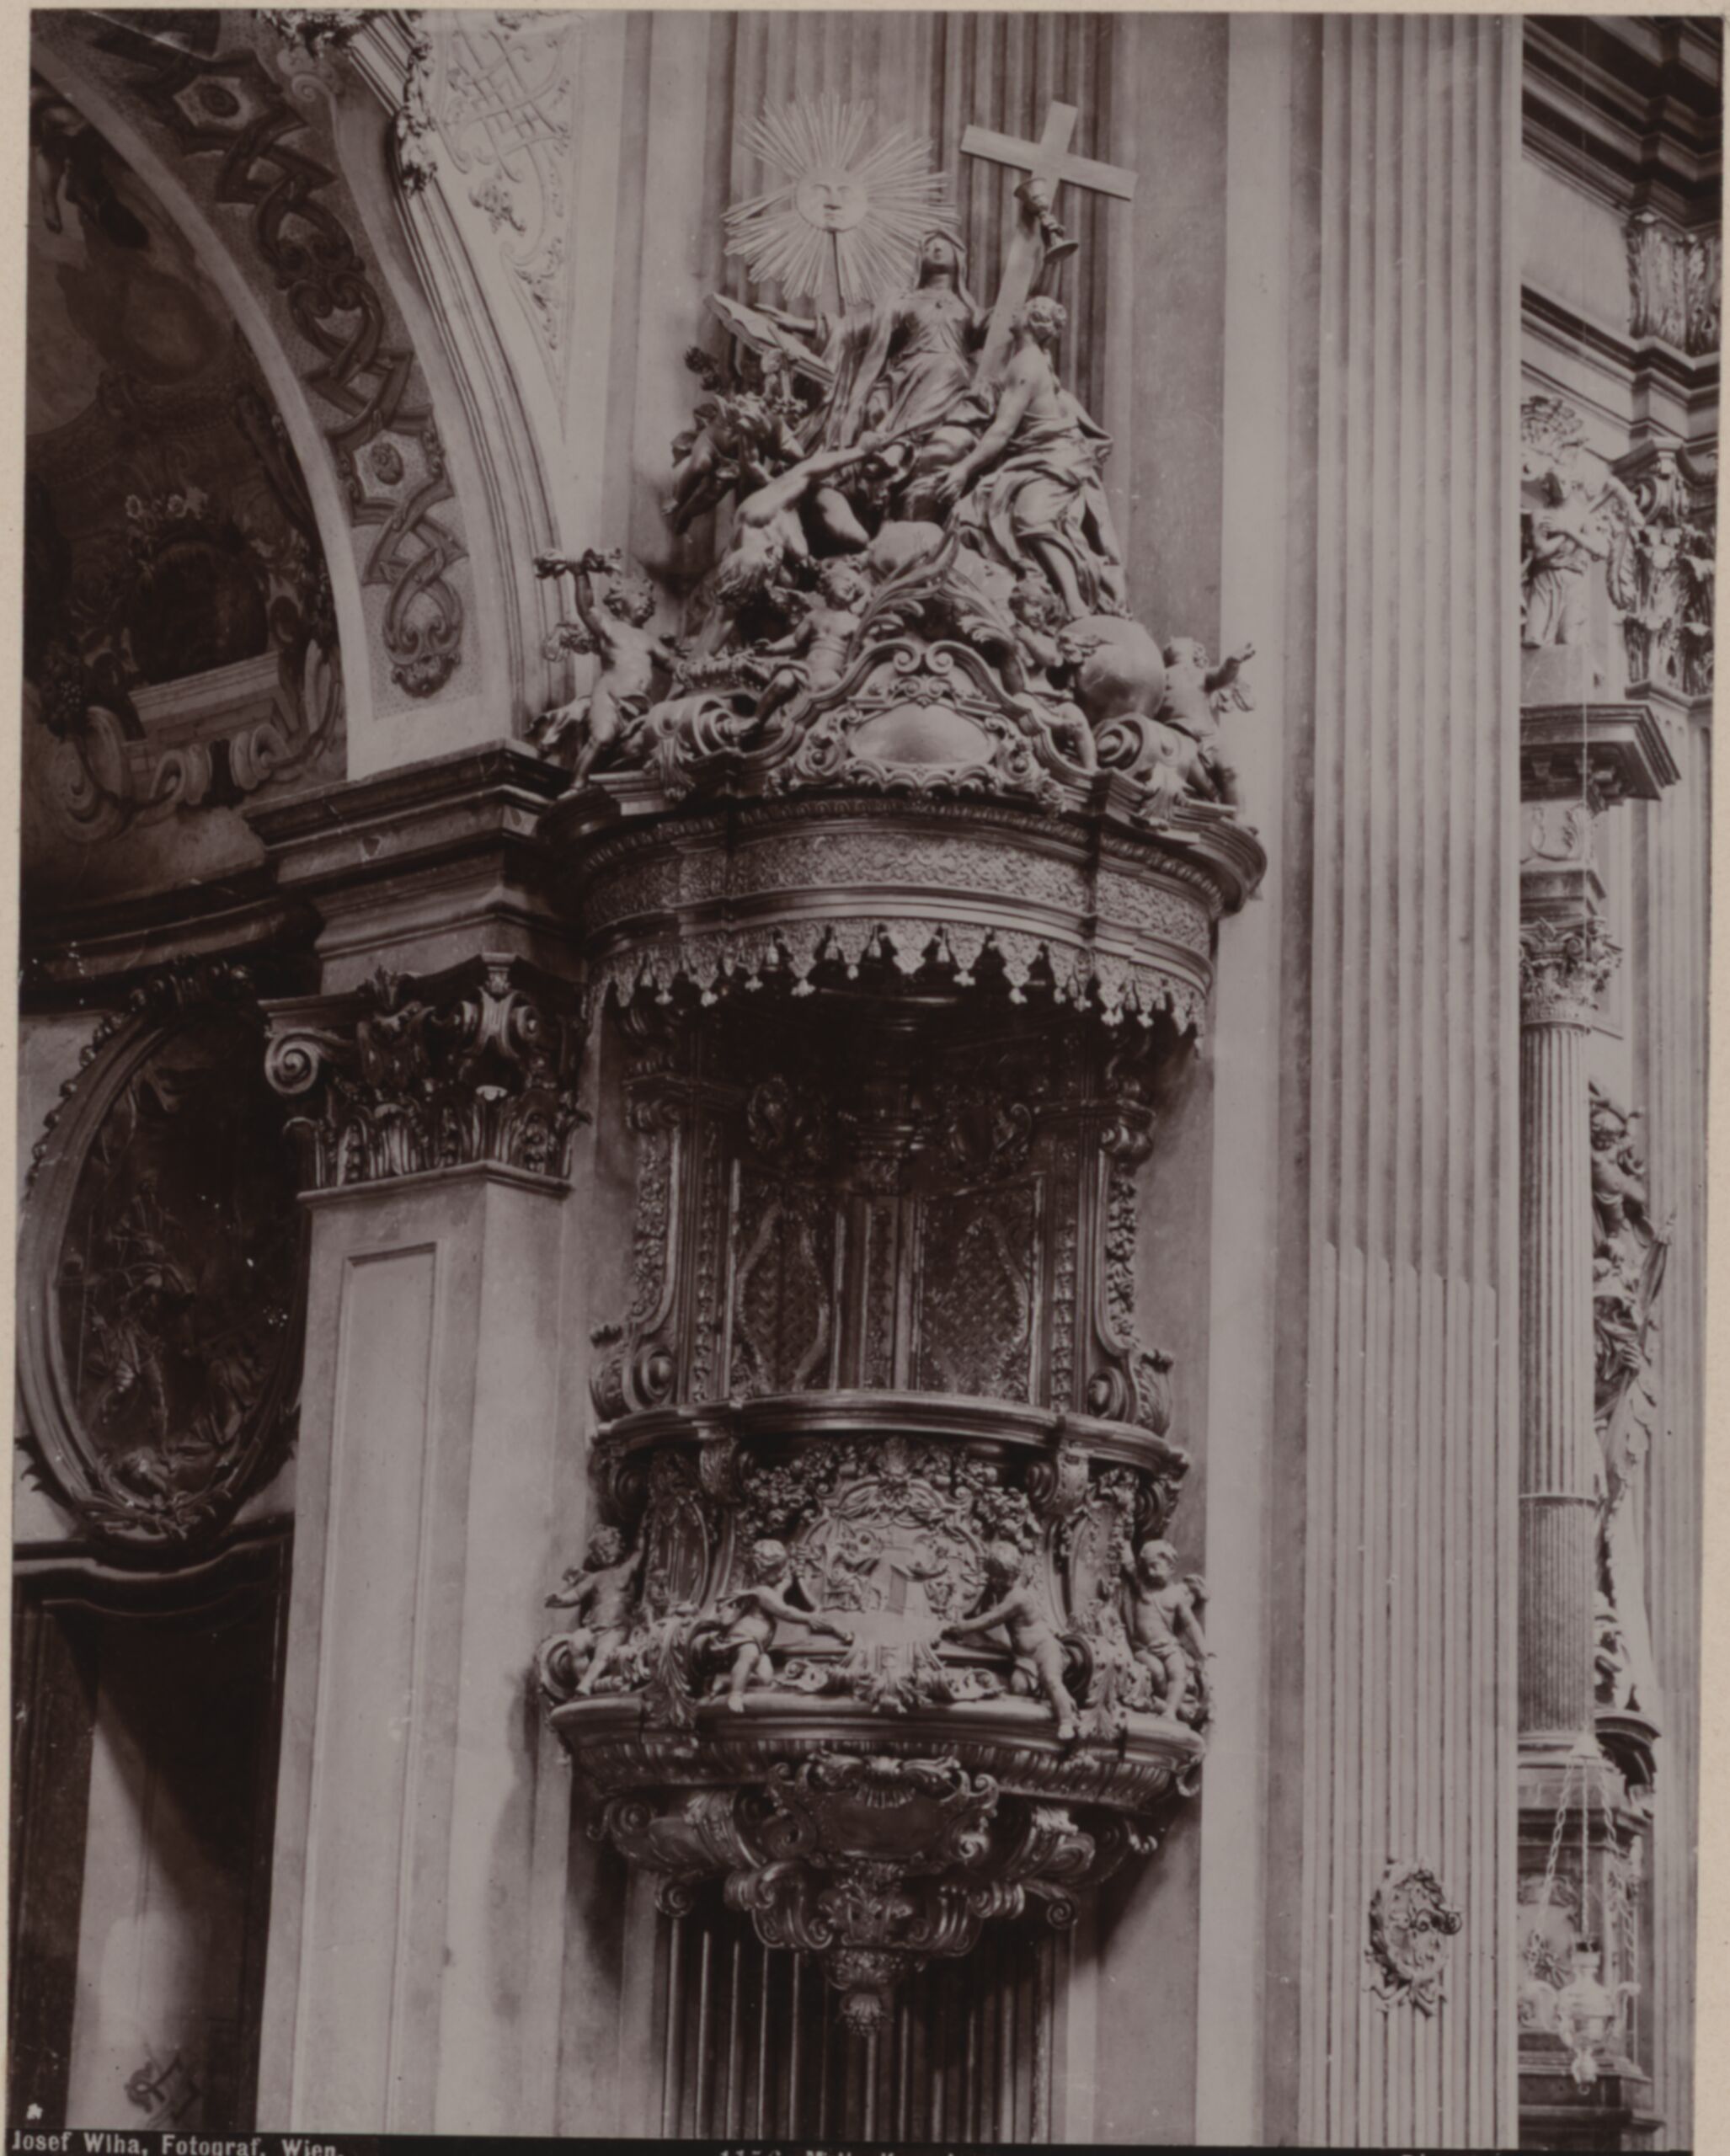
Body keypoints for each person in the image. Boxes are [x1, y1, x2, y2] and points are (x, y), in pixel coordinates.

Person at [935, 296, 1126, 619]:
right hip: (1033, 459)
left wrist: (962, 470)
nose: (1014, 311)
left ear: (1033, 321)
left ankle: (1076, 601)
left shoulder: (1027, 364)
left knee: (1031, 518)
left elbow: (1001, 431)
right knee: (972, 514)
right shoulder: (1029, 360)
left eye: (1021, 309)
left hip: (1053, 461)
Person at [531, 550, 682, 788]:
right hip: (610, 697)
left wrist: (696, 667)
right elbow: (587, 608)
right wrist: (579, 573)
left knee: (638, 747)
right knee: (601, 738)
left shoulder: (649, 641)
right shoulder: (611, 629)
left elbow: (675, 665)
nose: (647, 602)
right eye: (640, 595)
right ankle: (576, 786)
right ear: (620, 600)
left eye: (649, 600)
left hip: (639, 705)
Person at [691, 1540, 853, 1712]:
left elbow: (779, 1593)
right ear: (763, 1572)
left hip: (759, 1645)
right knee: (749, 1656)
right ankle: (736, 1694)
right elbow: (785, 1611)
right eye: (778, 1570)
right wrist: (808, 1618)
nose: (782, 1573)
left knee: (765, 1679)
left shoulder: (768, 1591)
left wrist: (789, 1579)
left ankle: (725, 1680)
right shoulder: (762, 1592)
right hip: (745, 1639)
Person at [941, 1539, 1078, 1741]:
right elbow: (983, 1608)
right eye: (993, 1576)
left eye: (998, 1577)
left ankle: (1067, 1721)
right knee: (1018, 1687)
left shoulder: (1017, 1598)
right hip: (1025, 1658)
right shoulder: (1003, 1588)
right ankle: (1062, 1704)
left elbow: (990, 1619)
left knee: (1052, 1680)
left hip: (1044, 1650)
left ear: (1010, 1575)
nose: (995, 1581)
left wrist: (962, 1627)